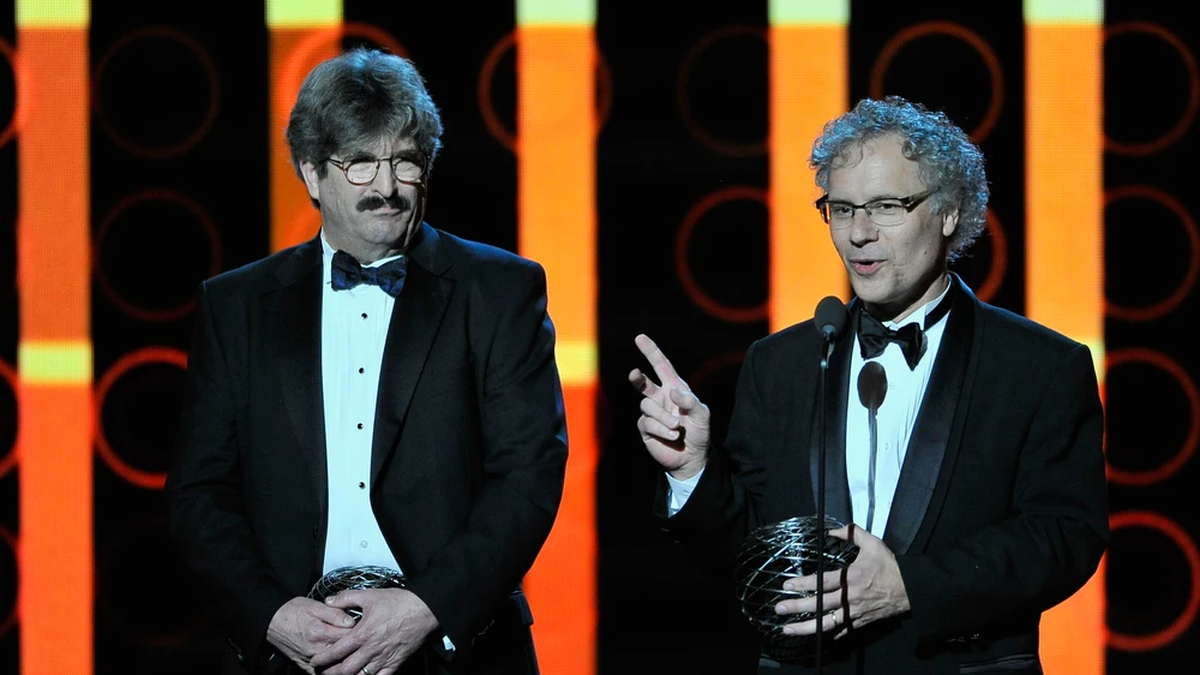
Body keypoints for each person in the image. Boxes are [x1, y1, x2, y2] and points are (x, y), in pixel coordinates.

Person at [630, 96, 1108, 674]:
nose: (858, 234)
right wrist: (692, 473)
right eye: (841, 207)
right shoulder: (779, 363)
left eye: (885, 206)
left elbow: (1062, 538)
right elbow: (754, 551)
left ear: (949, 211)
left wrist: (911, 586)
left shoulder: (1039, 367)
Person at [166, 48, 568, 675]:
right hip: (292, 655)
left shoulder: (499, 289)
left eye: (404, 162)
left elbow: (528, 475)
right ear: (310, 173)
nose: (386, 187)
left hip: (454, 648)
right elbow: (198, 495)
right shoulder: (237, 306)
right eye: (359, 165)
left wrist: (424, 607)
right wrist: (273, 615)